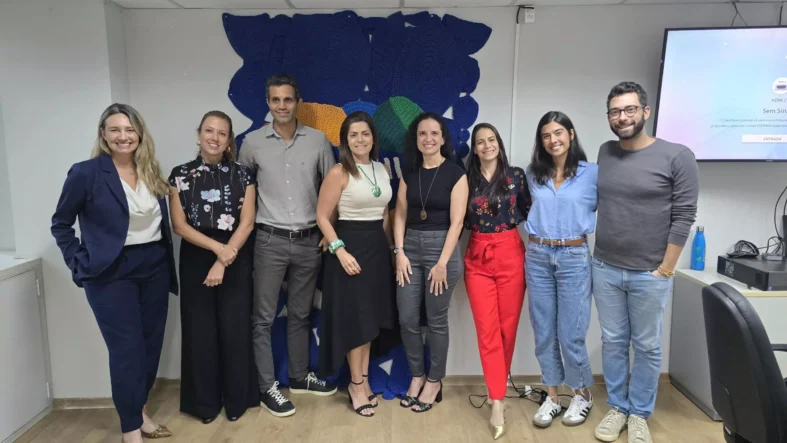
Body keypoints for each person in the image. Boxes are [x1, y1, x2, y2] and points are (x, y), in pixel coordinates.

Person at [51, 103, 178, 443]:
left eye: (129, 129)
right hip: (110, 271)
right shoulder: (86, 173)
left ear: (140, 134)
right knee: (126, 350)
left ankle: (140, 411)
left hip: (153, 265)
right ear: (103, 135)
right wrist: (78, 261)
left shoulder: (151, 170)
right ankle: (130, 430)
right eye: (115, 130)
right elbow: (61, 224)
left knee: (150, 346)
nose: (123, 136)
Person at [592, 81, 699, 443]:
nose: (621, 117)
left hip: (650, 273)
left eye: (629, 109)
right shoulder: (606, 152)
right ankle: (617, 408)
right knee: (613, 342)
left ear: (645, 112)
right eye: (615, 111)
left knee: (648, 346)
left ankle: (639, 414)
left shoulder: (677, 156)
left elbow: (684, 216)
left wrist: (665, 269)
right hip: (605, 267)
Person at [238, 73, 337, 418]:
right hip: (269, 240)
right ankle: (267, 386)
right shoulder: (251, 143)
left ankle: (298, 376)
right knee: (263, 318)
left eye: (288, 99)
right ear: (268, 102)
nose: (282, 106)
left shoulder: (318, 141)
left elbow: (333, 187)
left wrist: (329, 231)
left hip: (310, 241)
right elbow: (242, 192)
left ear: (298, 102)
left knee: (300, 314)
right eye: (275, 100)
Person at [168, 111, 259, 424]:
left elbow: (247, 222)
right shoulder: (180, 175)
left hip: (236, 253)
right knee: (200, 331)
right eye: (209, 131)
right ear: (199, 134)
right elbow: (179, 226)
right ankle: (203, 404)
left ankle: (237, 401)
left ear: (229, 139)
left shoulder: (244, 175)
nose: (215, 138)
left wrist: (224, 258)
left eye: (222, 133)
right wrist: (217, 251)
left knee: (235, 329)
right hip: (197, 256)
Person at [315, 111, 397, 417]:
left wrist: (391, 250)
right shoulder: (339, 172)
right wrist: (339, 250)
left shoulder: (381, 169)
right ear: (345, 141)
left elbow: (384, 213)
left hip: (376, 250)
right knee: (356, 323)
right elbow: (322, 216)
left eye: (365, 133)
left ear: (373, 137)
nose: (360, 139)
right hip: (348, 249)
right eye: (353, 135)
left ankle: (362, 381)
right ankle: (356, 385)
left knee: (370, 321)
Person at [525, 112, 598, 429]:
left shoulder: (591, 173)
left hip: (573, 256)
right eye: (546, 135)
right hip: (538, 255)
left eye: (558, 133)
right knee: (543, 332)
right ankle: (553, 397)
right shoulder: (533, 174)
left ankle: (582, 394)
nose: (553, 140)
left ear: (571, 134)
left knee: (571, 333)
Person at [393, 112, 468, 413]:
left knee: (436, 321)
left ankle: (434, 381)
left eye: (434, 133)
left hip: (442, 251)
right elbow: (399, 213)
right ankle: (417, 376)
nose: (428, 139)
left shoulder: (455, 173)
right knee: (407, 319)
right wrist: (399, 252)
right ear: (416, 139)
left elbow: (457, 222)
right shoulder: (409, 172)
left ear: (443, 138)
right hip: (409, 249)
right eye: (422, 133)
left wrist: (442, 262)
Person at [463, 122, 530, 440]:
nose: (487, 145)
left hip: (511, 253)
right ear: (474, 148)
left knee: (507, 329)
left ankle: (496, 389)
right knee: (487, 331)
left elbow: (530, 210)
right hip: (477, 256)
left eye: (492, 140)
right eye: (480, 141)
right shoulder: (466, 179)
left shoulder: (516, 176)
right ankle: (498, 402)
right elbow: (458, 220)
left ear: (499, 144)